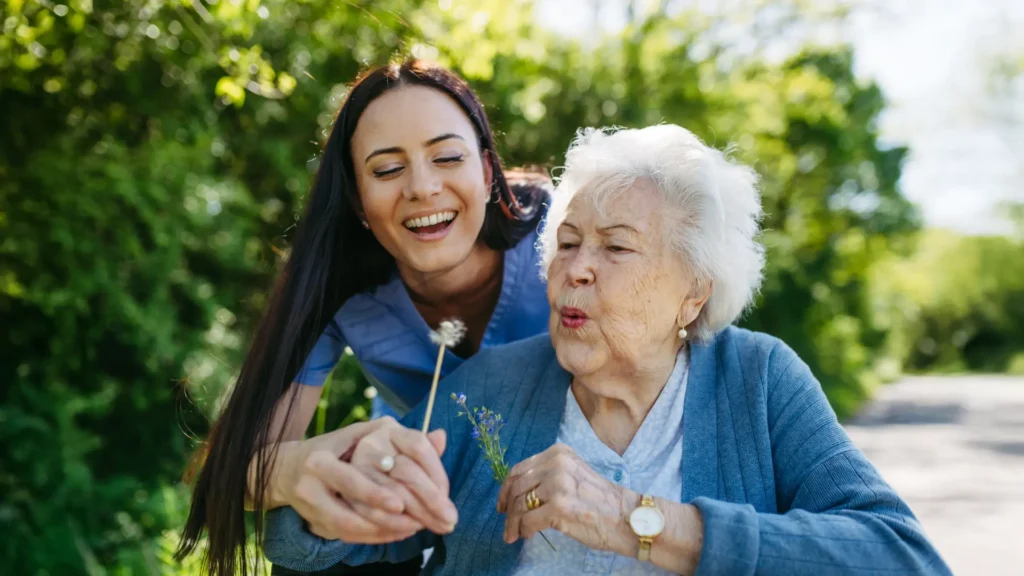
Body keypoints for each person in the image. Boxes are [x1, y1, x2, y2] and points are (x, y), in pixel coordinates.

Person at [261, 124, 952, 575]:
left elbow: (902, 558)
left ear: (693, 293)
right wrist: (335, 485)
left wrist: (638, 522)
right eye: (566, 243)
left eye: (616, 247)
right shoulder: (492, 385)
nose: (577, 267)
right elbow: (306, 543)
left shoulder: (758, 379)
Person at [175, 60, 553, 576]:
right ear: (356, 199)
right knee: (303, 534)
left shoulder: (566, 235)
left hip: (571, 490)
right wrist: (303, 468)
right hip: (424, 501)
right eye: (386, 169)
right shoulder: (336, 284)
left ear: (487, 172)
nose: (422, 187)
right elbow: (224, 466)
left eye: (446, 156)